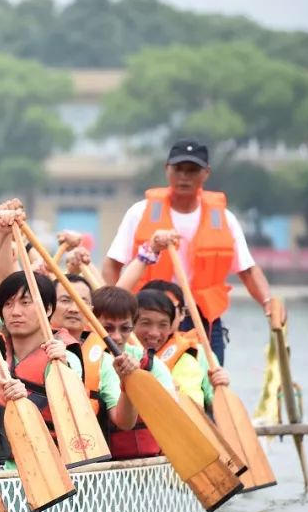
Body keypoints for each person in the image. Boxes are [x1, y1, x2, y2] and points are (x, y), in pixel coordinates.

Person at [102, 138, 280, 365]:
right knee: (149, 379)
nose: (184, 177)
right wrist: (119, 311)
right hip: (151, 318)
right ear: (167, 170)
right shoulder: (140, 212)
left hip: (203, 317)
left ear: (206, 173)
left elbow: (247, 270)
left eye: (192, 170)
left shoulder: (224, 218)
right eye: (178, 169)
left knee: (208, 384)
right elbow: (112, 264)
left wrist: (268, 303)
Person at [0, 272, 83, 440]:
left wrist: (62, 368)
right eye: (8, 304)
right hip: (4, 461)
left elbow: (74, 408)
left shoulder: (66, 357)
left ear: (47, 309)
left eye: (25, 303)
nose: (15, 312)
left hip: (56, 455)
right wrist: (3, 392)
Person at [91, 286, 174, 460]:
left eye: (124, 328)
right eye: (108, 328)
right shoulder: (83, 358)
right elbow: (122, 421)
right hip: (96, 460)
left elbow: (171, 409)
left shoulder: (150, 363)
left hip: (142, 461)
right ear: (91, 323)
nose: (116, 337)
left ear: (133, 326)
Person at [49, 274, 138, 432]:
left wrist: (127, 384)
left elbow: (124, 422)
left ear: (90, 311)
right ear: (48, 306)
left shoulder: (103, 359)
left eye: (82, 302)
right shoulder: (29, 343)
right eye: (65, 300)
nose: (74, 309)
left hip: (82, 447)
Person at [134, 286, 230, 410]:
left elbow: (201, 409)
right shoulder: (118, 353)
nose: (154, 333)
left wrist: (219, 388)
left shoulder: (188, 358)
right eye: (146, 323)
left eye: (162, 324)